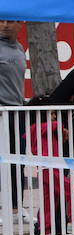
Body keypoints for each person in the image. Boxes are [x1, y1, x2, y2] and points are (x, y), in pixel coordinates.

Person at [1, 20, 27, 220]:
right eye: (1, 21)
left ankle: (16, 208)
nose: (5, 25)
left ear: (21, 23)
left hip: (17, 113)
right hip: (1, 113)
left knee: (18, 161)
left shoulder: (18, 48)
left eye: (10, 21)